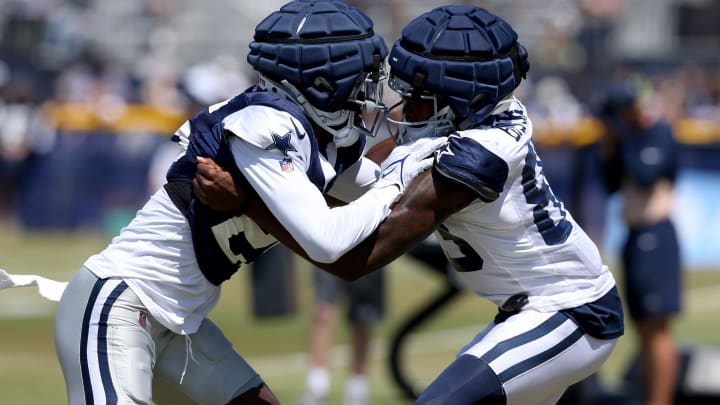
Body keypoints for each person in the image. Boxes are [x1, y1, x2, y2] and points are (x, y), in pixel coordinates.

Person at [193, 5, 625, 404]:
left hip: (571, 311)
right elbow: (347, 183)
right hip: (526, 310)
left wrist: (248, 201)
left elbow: (355, 260)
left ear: (465, 97)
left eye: (421, 96)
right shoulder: (466, 122)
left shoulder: (479, 155)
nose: (406, 108)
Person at [51, 1, 443, 404]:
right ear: (321, 80)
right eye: (359, 76)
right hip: (120, 306)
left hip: (181, 323)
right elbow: (330, 239)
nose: (367, 90)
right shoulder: (265, 125)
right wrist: (400, 176)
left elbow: (377, 186)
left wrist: (434, 143)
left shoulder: (312, 136)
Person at [597, 81, 682, 405]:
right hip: (634, 236)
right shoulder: (627, 138)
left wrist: (627, 137)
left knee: (657, 329)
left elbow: (647, 176)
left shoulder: (658, 132)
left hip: (657, 235)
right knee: (643, 329)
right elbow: (610, 185)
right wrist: (612, 143)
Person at [298, 266, 385, 405]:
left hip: (366, 251)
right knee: (323, 313)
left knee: (362, 319)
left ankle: (357, 390)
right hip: (330, 249)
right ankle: (317, 388)